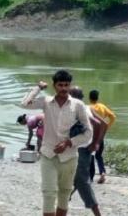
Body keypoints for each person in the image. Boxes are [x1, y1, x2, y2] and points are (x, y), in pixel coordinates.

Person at [20, 70, 92, 216]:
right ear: (54, 86)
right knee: (49, 194)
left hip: (69, 157)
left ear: (70, 86)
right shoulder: (47, 102)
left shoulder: (78, 106)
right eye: (60, 85)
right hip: (48, 155)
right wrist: (38, 88)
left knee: (64, 194)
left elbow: (88, 133)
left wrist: (69, 142)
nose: (64, 88)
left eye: (66, 85)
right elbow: (24, 104)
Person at [69, 87, 107, 216]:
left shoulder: (78, 108)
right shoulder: (87, 107)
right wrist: (96, 142)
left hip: (81, 151)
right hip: (80, 150)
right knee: (71, 179)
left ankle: (97, 213)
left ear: (73, 96)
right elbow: (104, 124)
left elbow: (97, 124)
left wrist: (95, 143)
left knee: (82, 182)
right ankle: (61, 203)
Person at [89, 90, 116, 184]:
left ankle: (90, 176)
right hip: (101, 134)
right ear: (98, 97)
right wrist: (107, 126)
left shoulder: (89, 107)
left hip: (91, 135)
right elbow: (112, 116)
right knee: (99, 155)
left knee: (91, 155)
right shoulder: (102, 107)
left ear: (89, 98)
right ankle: (102, 172)